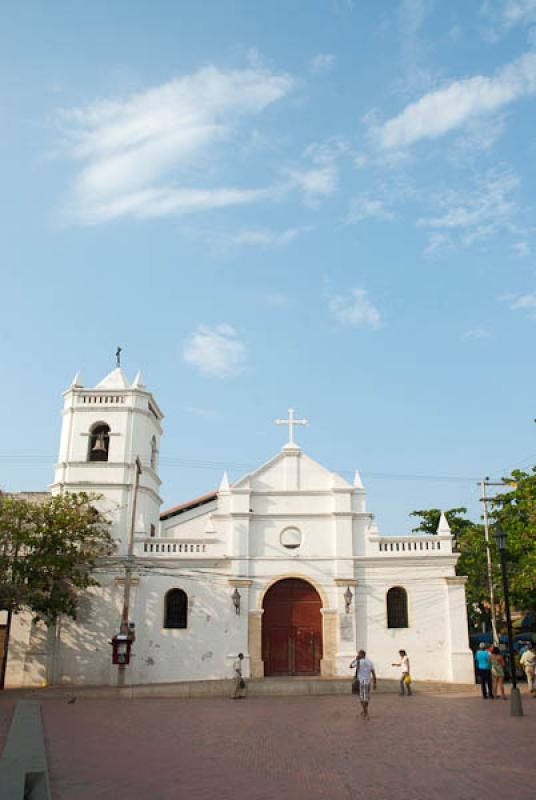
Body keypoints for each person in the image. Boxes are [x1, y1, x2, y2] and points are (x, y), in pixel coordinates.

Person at [350, 649, 377, 719]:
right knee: (367, 697)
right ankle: (364, 711)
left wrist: (355, 659)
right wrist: (374, 683)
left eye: (358, 654)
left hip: (361, 682)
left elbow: (350, 666)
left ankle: (366, 711)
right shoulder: (370, 662)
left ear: (361, 654)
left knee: (362, 698)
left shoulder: (359, 661)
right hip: (368, 682)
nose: (357, 655)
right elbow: (373, 673)